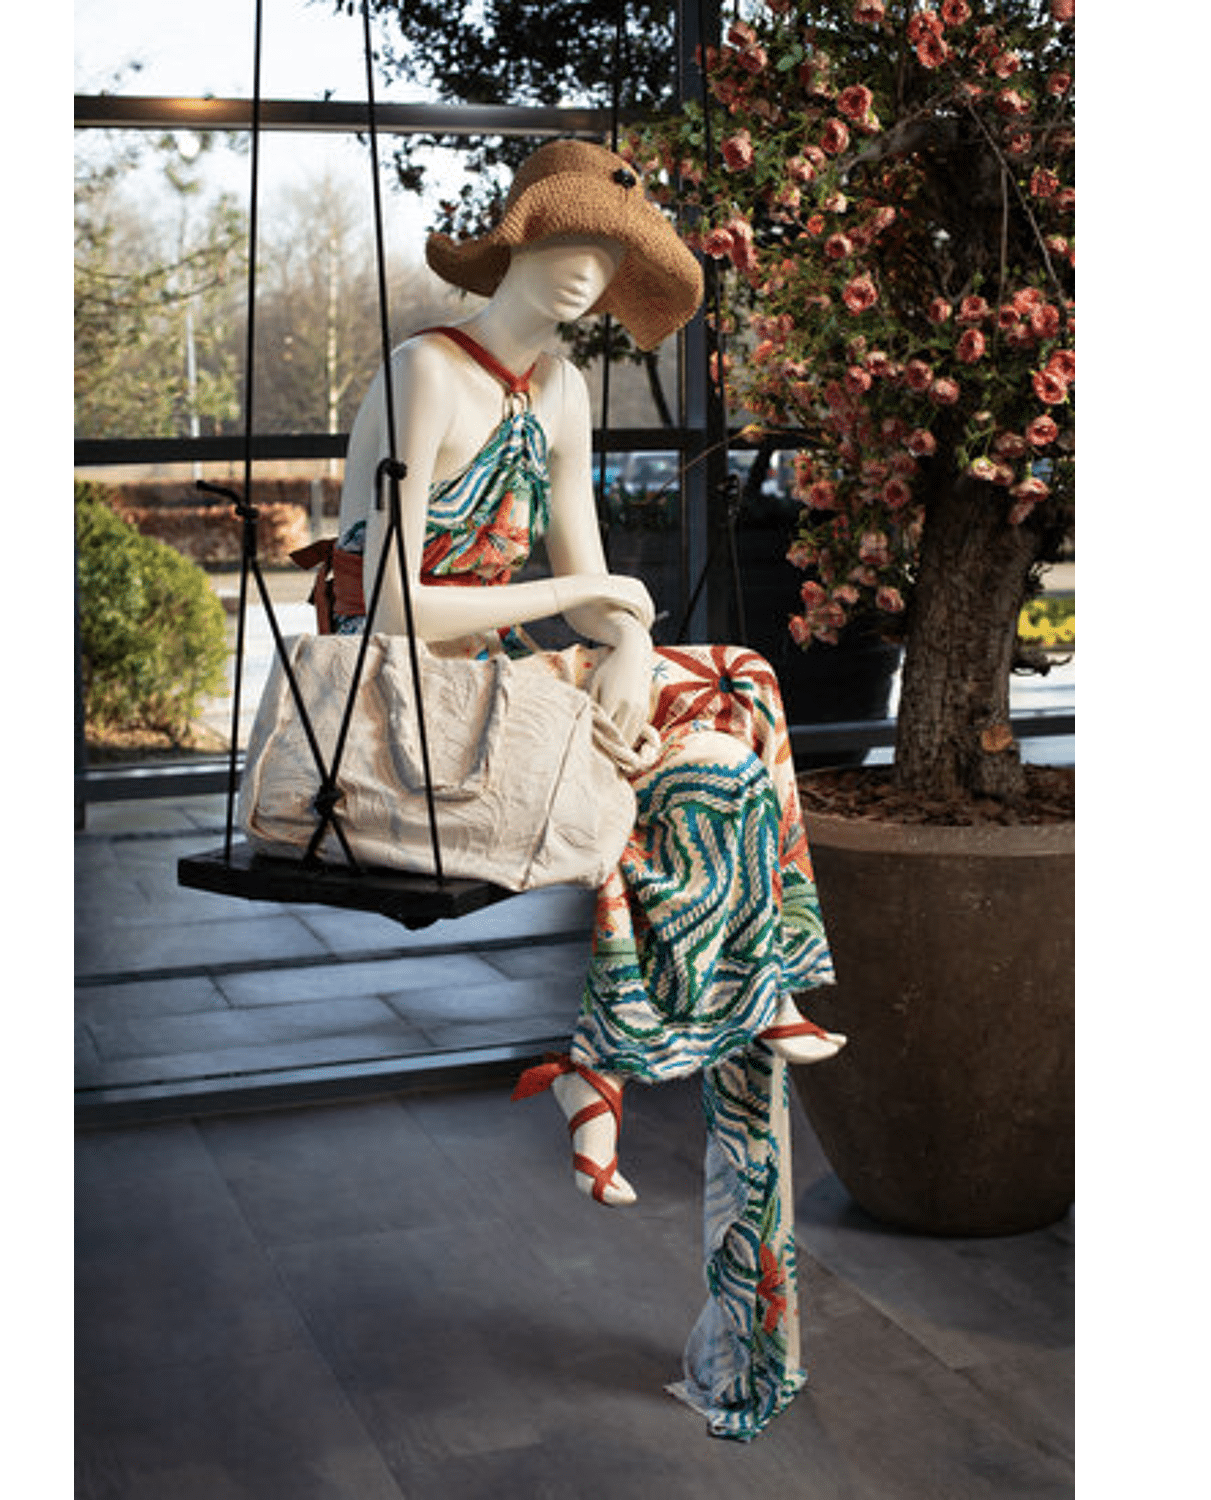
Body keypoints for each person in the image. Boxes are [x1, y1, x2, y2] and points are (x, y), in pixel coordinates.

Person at [329, 140, 844, 1438]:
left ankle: (644, 1050)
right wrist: (593, 605)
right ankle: (647, 1043)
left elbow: (594, 574)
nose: (584, 275)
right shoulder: (424, 372)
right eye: (569, 244)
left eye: (607, 257)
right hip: (407, 693)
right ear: (517, 240)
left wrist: (623, 638)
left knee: (737, 689)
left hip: (519, 670)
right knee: (701, 768)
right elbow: (384, 605)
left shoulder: (559, 389)